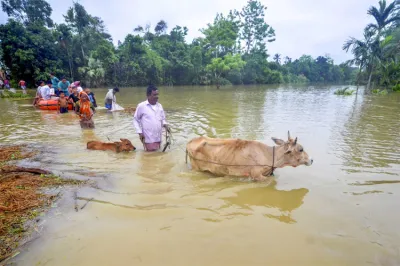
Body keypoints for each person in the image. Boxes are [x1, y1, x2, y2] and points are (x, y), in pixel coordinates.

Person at [133, 85, 169, 152]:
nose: (157, 97)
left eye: (157, 94)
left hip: (158, 137)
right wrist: (140, 132)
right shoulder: (142, 106)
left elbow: (163, 119)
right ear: (148, 95)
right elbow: (135, 120)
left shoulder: (159, 106)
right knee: (150, 156)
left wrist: (165, 125)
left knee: (156, 155)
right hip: (148, 138)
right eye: (154, 95)